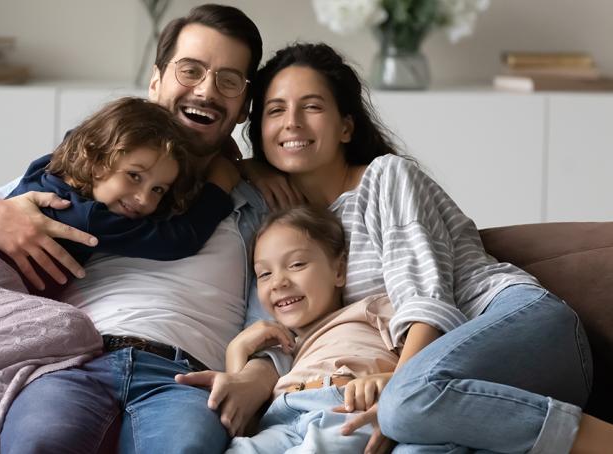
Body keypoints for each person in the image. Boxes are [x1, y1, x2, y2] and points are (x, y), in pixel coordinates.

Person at [0, 4, 283, 453]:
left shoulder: (254, 203)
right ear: (156, 80)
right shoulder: (90, 173)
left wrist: (260, 374)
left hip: (184, 375)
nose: (206, 90)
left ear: (243, 108)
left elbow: (284, 308)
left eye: (228, 80)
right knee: (36, 442)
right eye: (190, 70)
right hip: (74, 361)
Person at [244, 41, 609, 453]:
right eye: (275, 110)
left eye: (311, 107)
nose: (292, 122)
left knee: (404, 406)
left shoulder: (387, 177)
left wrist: (397, 386)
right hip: (447, 386)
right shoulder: (285, 228)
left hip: (519, 323)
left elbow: (427, 300)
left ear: (346, 126)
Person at [224, 205, 399, 453]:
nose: (278, 282)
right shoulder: (284, 348)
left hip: (342, 408)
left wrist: (390, 382)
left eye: (296, 264)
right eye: (264, 274)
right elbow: (243, 415)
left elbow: (429, 353)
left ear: (338, 270)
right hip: (278, 421)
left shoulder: (370, 309)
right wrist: (237, 347)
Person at [5, 96, 238, 268]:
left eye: (158, 189)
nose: (144, 198)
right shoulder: (86, 218)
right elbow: (178, 240)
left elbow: (77, 137)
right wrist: (219, 184)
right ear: (95, 159)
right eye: (134, 176)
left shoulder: (46, 168)